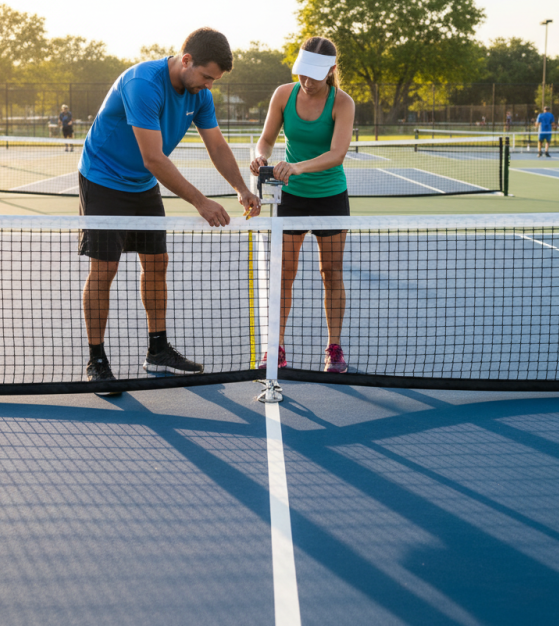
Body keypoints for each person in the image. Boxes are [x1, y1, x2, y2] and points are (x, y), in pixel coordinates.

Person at [78, 28, 261, 389]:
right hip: (103, 179)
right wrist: (201, 202)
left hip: (142, 183)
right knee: (105, 269)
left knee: (157, 263)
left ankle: (157, 350)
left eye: (214, 80)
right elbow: (153, 158)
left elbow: (217, 146)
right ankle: (96, 359)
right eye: (206, 76)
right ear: (186, 60)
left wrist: (241, 189)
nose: (209, 85)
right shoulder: (143, 84)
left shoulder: (200, 95)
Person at [250, 36, 355, 374]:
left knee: (331, 273)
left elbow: (337, 154)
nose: (307, 81)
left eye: (314, 75)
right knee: (284, 274)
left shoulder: (343, 103)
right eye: (302, 74)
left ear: (331, 70)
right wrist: (261, 156)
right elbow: (266, 139)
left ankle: (334, 348)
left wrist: (295, 167)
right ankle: (276, 347)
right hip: (291, 198)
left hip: (330, 197)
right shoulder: (284, 94)